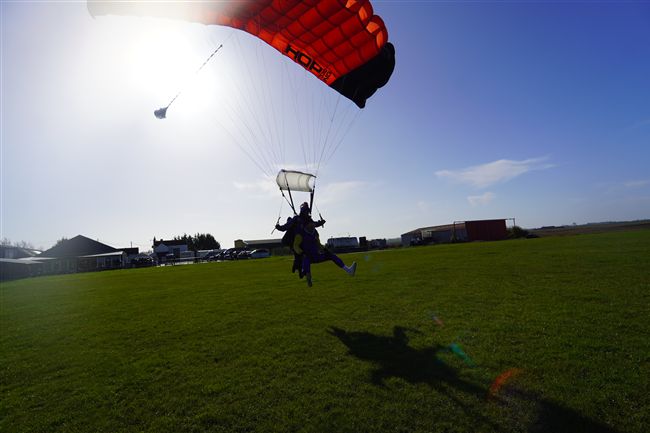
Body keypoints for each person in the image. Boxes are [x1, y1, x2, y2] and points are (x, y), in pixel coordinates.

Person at [293, 221, 356, 287]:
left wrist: (325, 250)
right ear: (307, 225)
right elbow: (295, 246)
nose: (313, 226)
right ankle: (308, 277)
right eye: (311, 224)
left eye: (313, 225)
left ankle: (349, 271)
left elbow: (318, 244)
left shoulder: (315, 232)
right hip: (307, 256)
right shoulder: (300, 234)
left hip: (316, 255)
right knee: (306, 259)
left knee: (332, 256)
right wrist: (301, 252)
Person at [275, 202, 325, 277]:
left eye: (307, 211)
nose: (307, 213)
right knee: (299, 255)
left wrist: (320, 223)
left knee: (304, 255)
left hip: (304, 241)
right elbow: (286, 226)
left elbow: (313, 224)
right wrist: (279, 227)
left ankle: (300, 269)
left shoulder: (308, 219)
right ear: (303, 211)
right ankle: (299, 270)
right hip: (294, 241)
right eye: (306, 211)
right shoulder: (296, 219)